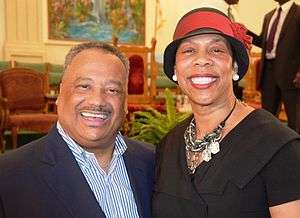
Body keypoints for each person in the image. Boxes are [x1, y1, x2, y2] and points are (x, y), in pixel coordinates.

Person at [152, 7, 300, 218]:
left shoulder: (278, 146)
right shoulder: (168, 145)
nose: (202, 60)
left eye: (216, 50)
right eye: (189, 51)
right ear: (175, 70)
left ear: (235, 66)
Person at [0, 42, 155, 218]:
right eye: (84, 86)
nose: (97, 101)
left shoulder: (155, 163)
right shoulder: (8, 176)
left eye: (112, 90)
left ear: (125, 103)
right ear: (60, 94)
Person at [247, 0, 300, 133]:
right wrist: (246, 32)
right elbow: (262, 42)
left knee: (295, 121)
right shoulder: (269, 16)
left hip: (292, 75)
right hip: (268, 73)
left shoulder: (298, 13)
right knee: (268, 119)